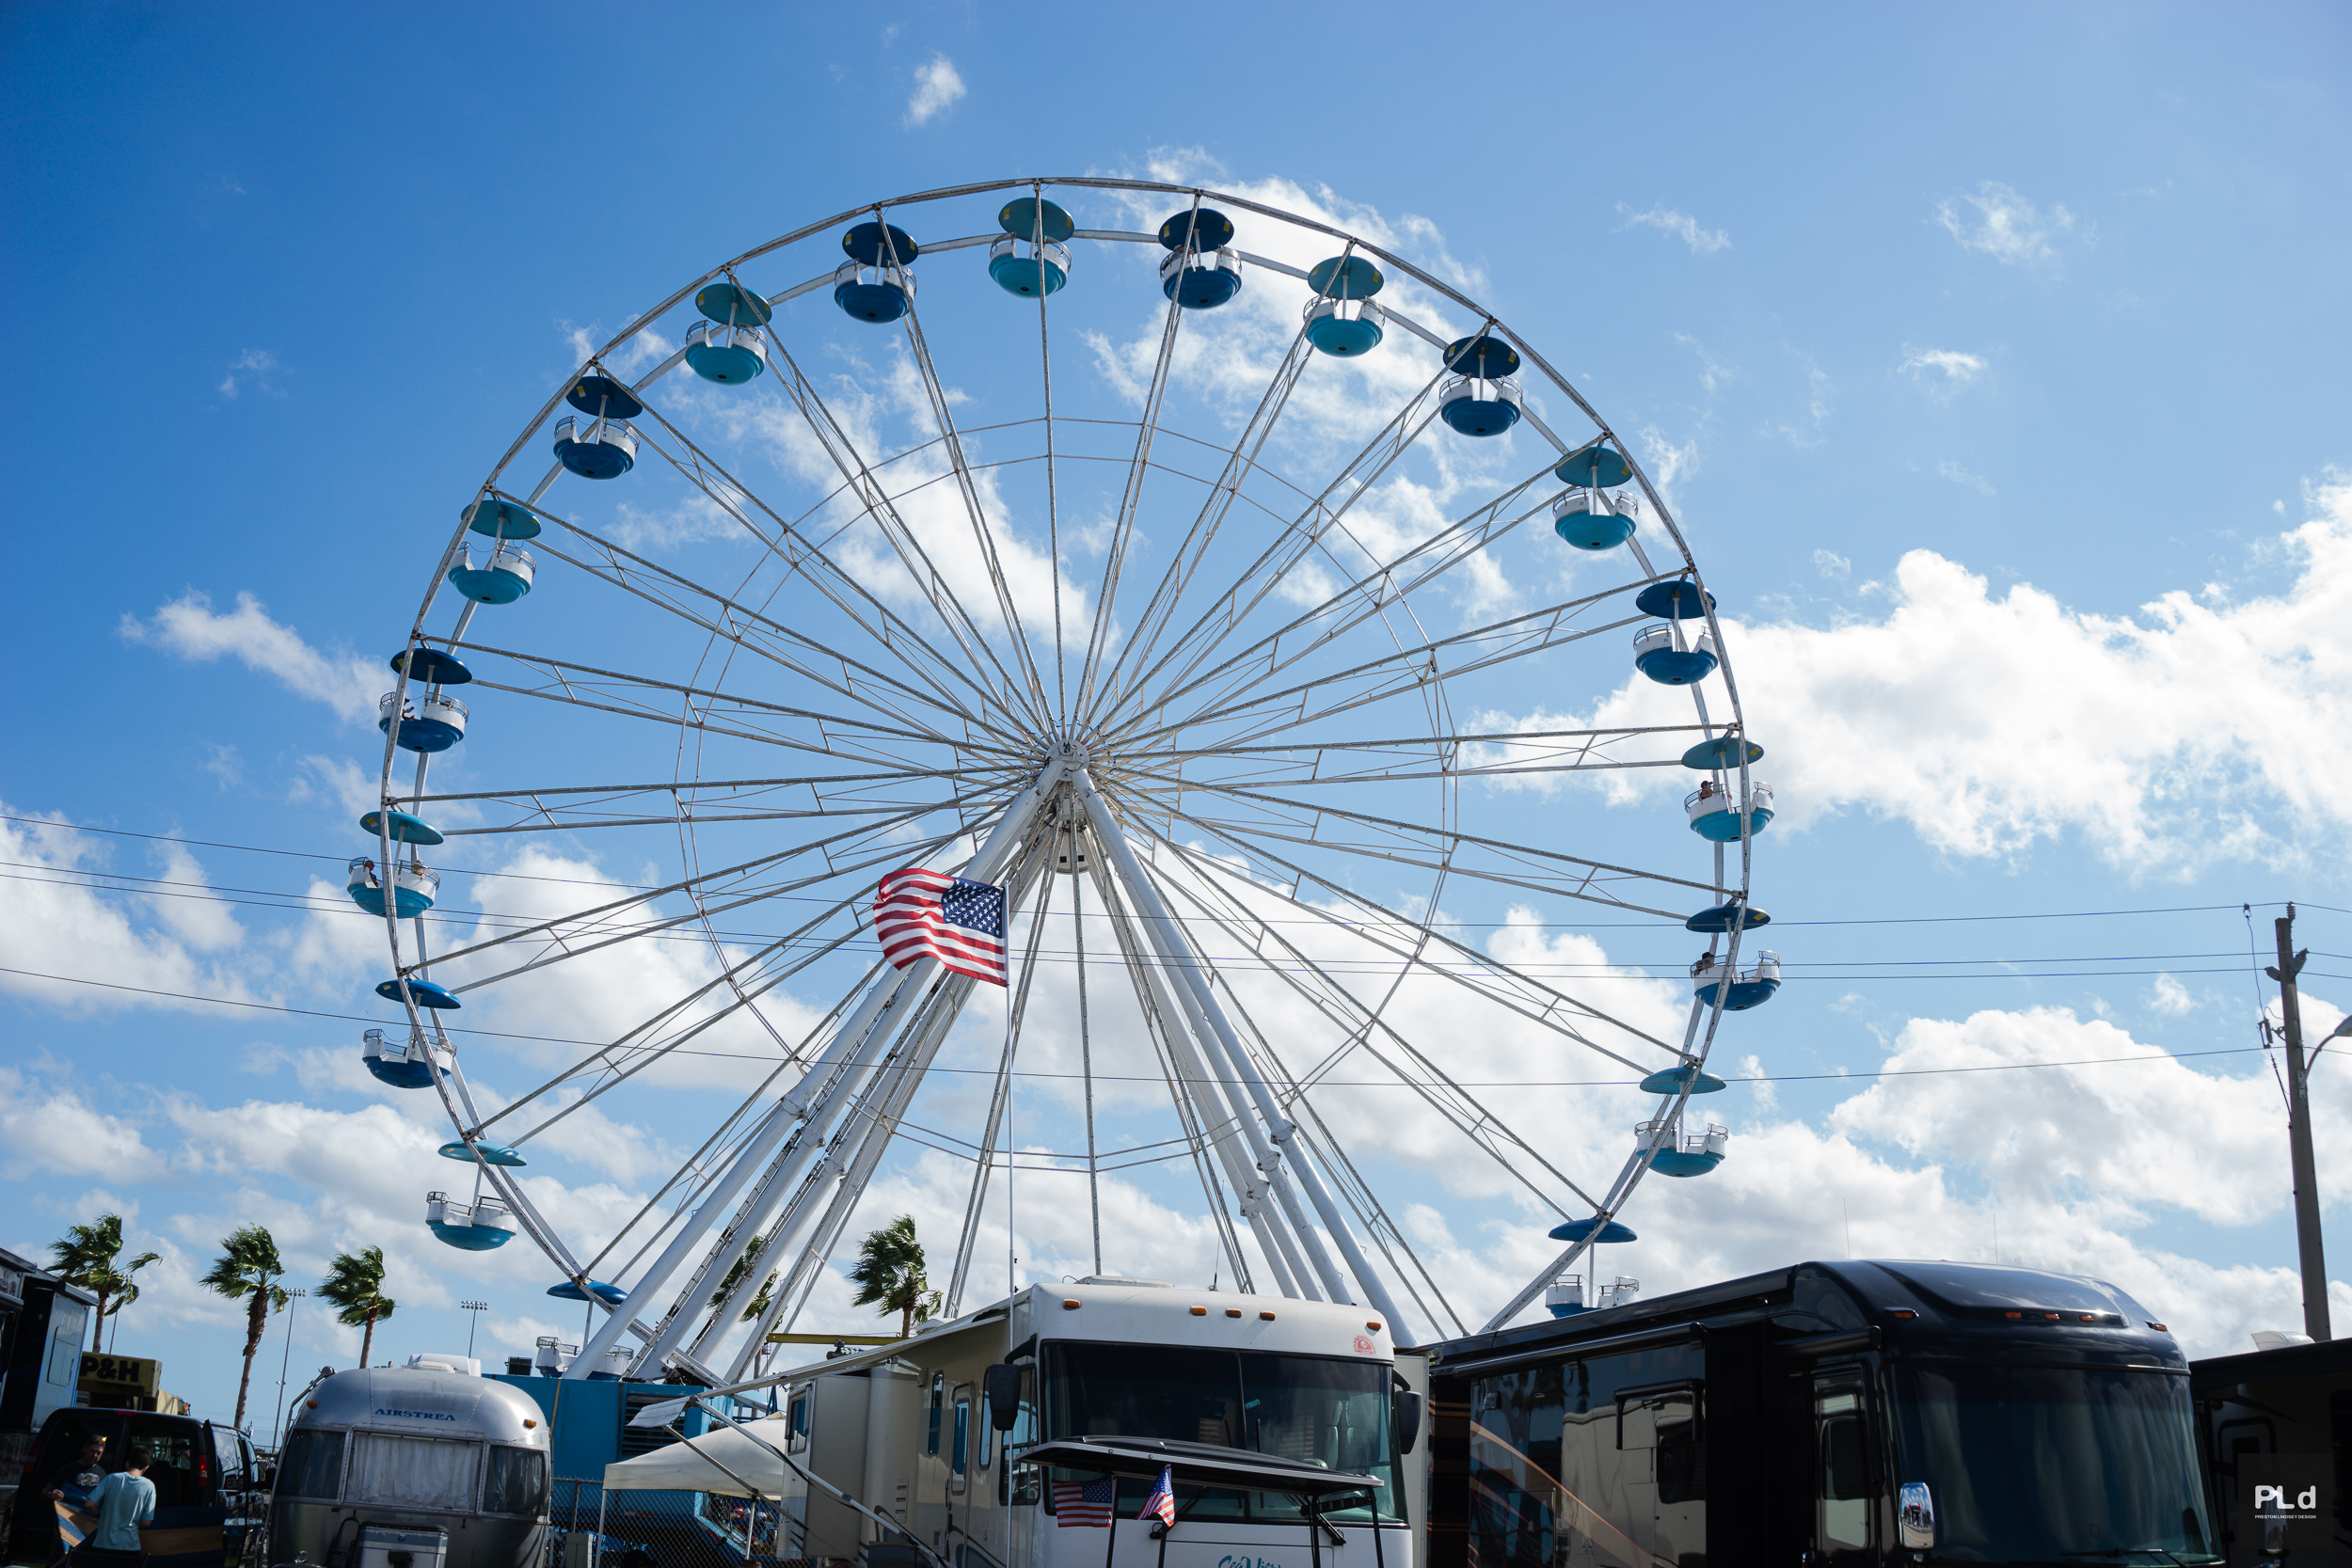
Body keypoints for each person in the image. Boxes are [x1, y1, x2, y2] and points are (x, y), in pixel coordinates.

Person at [57, 1446, 153, 1568]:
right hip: (129, 1547)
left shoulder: (111, 1478)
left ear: (127, 1463)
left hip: (102, 1544)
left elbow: (89, 1504)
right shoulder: (149, 1486)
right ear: (145, 1468)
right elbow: (146, 1522)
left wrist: (100, 1516)